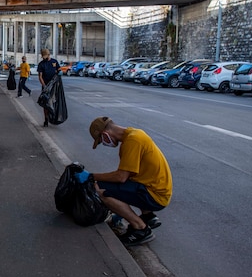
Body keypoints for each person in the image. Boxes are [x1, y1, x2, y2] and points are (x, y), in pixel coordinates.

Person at [76, 116, 172, 246]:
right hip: (155, 188)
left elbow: (121, 177)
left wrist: (91, 176)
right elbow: (129, 175)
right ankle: (148, 217)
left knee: (100, 190)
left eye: (101, 141)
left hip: (155, 195)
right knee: (113, 186)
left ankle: (140, 229)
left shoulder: (133, 141)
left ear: (105, 134)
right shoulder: (132, 135)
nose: (104, 144)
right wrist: (120, 211)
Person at [36, 48, 60, 127]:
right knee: (45, 103)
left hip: (54, 87)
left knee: (53, 101)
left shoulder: (54, 62)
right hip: (46, 87)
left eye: (45, 56)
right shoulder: (41, 64)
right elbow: (40, 76)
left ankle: (54, 117)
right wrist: (44, 86)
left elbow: (59, 70)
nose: (43, 58)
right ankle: (46, 119)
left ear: (48, 55)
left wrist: (59, 73)